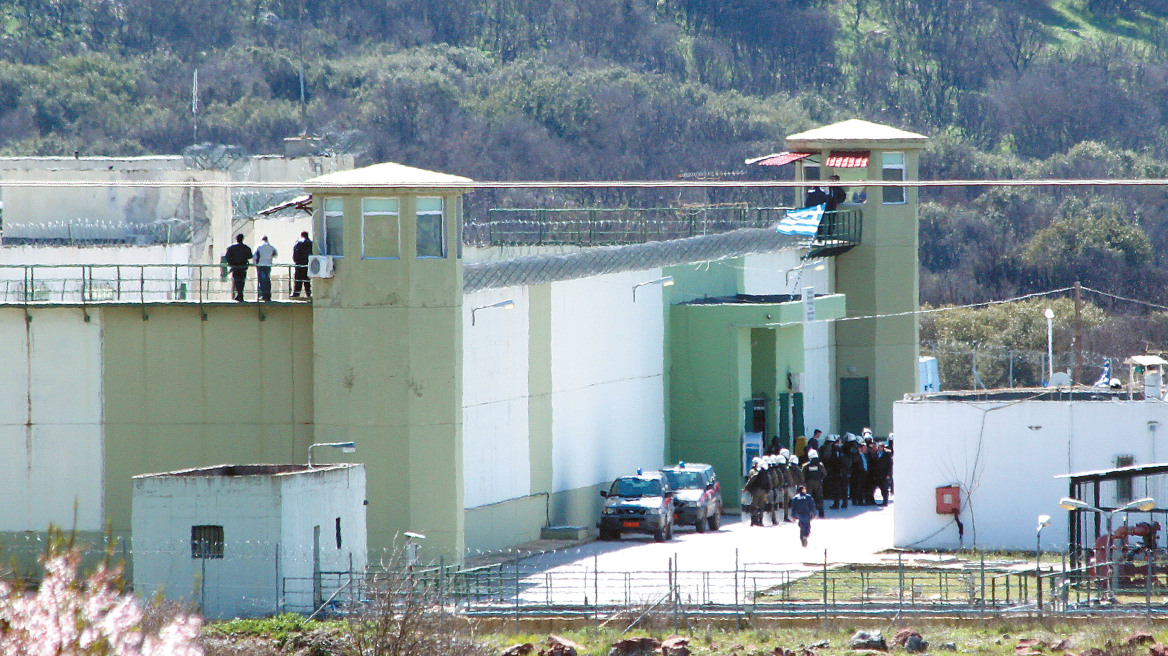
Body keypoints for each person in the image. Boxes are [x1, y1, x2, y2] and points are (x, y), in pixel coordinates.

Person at [224, 234, 253, 302]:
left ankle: (239, 295)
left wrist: (231, 263)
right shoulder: (246, 247)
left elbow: (227, 257)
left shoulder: (232, 248)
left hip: (235, 266)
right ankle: (240, 295)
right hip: (243, 267)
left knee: (237, 281)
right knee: (242, 281)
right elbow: (250, 256)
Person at [802, 449, 827, 518]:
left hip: (808, 483)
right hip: (818, 482)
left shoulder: (806, 465)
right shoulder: (820, 465)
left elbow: (802, 474)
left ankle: (808, 513)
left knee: (808, 497)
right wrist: (821, 478)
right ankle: (821, 513)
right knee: (820, 497)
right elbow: (825, 473)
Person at [253, 236, 277, 302]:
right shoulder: (271, 247)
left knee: (261, 280)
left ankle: (262, 295)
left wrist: (255, 264)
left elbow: (255, 256)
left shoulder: (259, 246)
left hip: (261, 265)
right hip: (268, 265)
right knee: (267, 280)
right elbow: (275, 254)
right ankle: (268, 295)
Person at [292, 231, 313, 299]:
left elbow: (295, 254)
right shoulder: (311, 243)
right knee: (307, 281)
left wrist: (296, 261)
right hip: (307, 264)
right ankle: (308, 294)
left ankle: (296, 294)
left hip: (299, 264)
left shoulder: (298, 243)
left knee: (298, 280)